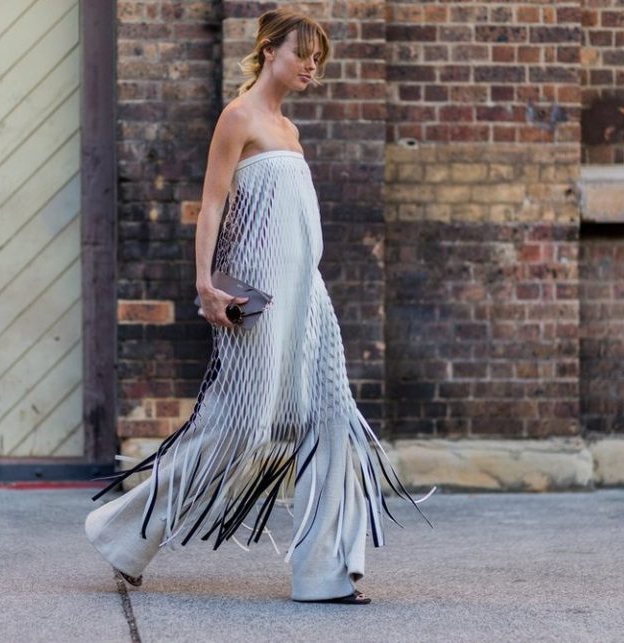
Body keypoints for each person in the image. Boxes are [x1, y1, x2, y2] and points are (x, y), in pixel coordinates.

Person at [85, 7, 429, 606]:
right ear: (270, 50)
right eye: (303, 54)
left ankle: (323, 574)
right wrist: (205, 284)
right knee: (240, 426)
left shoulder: (290, 131)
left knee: (333, 423)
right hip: (258, 296)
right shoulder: (237, 117)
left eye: (318, 59)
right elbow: (212, 206)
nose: (312, 67)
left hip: (309, 298)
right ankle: (122, 535)